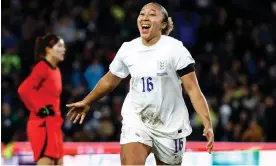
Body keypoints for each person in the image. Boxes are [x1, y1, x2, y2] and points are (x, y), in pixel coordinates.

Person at [67, 2, 214, 165]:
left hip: (170, 125)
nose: (145, 17)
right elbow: (110, 80)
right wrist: (87, 101)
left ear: (163, 24)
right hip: (137, 119)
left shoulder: (175, 49)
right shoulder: (128, 49)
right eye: (142, 13)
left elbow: (193, 90)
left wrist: (207, 123)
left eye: (152, 14)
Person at [18, 33, 66, 165]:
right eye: (60, 46)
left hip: (54, 124)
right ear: (48, 49)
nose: (64, 49)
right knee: (46, 161)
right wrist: (40, 109)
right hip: (42, 124)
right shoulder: (42, 67)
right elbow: (23, 90)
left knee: (59, 162)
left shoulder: (56, 70)